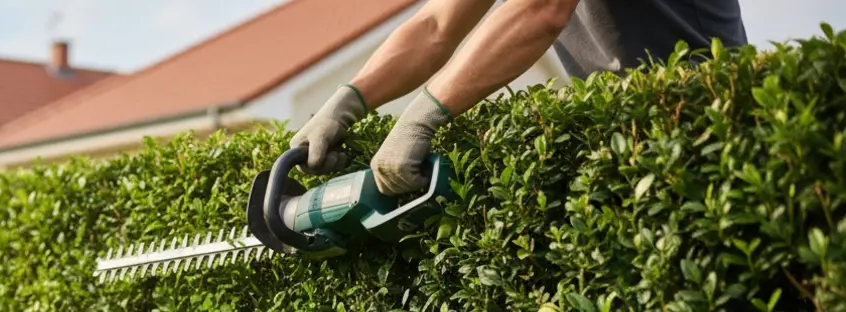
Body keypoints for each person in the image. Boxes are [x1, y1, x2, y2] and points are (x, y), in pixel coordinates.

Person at [290, 0, 747, 195]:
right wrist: (346, 102)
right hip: (629, 144)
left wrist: (420, 118)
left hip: (704, 135)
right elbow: (435, 27)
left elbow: (540, 10)